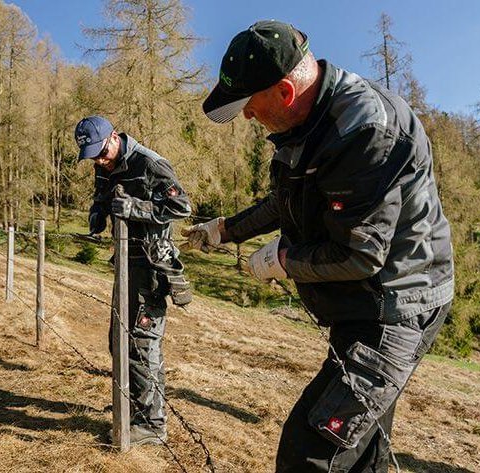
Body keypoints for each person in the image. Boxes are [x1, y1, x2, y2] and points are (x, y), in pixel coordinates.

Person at [182, 20, 454, 472]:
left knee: (310, 451)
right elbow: (287, 198)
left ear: (285, 92)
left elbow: (361, 255)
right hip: (359, 302)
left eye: (250, 105)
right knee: (361, 450)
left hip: (395, 304)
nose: (247, 117)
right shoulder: (304, 124)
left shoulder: (364, 133)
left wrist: (282, 261)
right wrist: (225, 230)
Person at [75, 115, 192, 446]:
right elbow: (103, 192)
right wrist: (99, 213)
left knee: (142, 345)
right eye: (93, 157)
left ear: (114, 138)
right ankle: (130, 406)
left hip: (152, 268)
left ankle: (151, 425)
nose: (99, 161)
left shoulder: (151, 163)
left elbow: (182, 206)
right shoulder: (104, 165)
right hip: (124, 263)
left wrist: (137, 207)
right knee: (119, 341)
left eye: (101, 152)